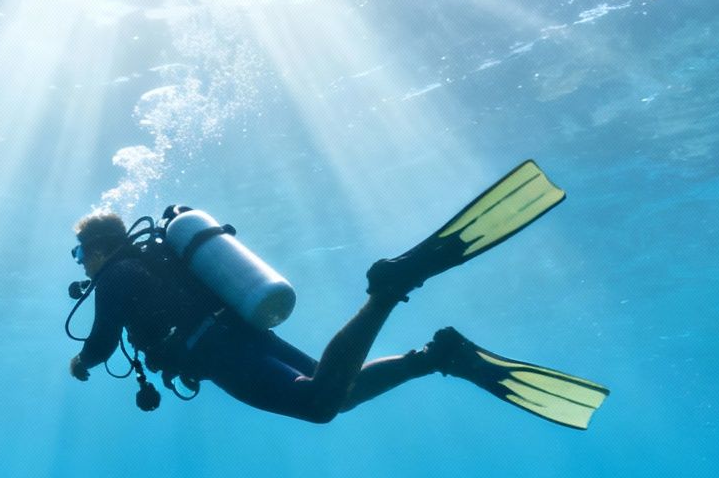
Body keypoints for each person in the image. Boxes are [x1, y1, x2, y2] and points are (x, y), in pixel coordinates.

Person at [66, 162, 608, 429]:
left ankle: (387, 291)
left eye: (82, 255)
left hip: (216, 350)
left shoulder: (116, 274)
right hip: (247, 333)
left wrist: (82, 362)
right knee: (336, 393)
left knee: (320, 403)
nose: (84, 265)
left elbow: (104, 337)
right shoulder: (159, 260)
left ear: (97, 249)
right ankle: (435, 357)